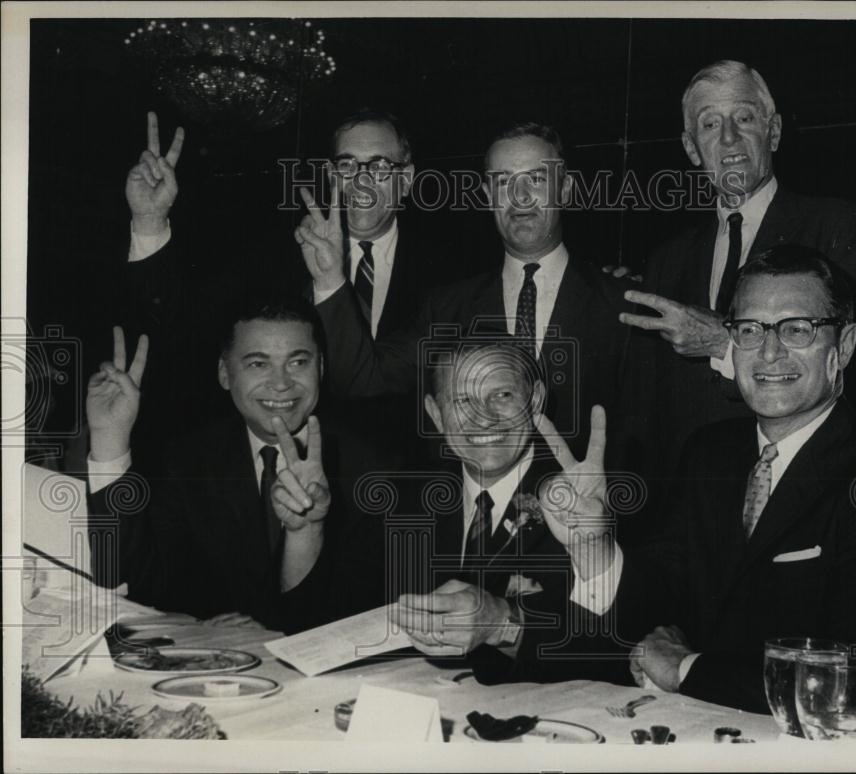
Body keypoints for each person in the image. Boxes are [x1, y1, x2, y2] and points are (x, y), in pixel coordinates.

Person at [500, 246, 856, 714]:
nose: (768, 351)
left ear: (842, 346)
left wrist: (687, 668)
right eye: (748, 329)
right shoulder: (710, 452)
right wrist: (593, 548)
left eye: (797, 329)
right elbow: (660, 595)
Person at [615, 60, 856, 505]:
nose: (728, 138)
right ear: (690, 147)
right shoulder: (668, 259)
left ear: (774, 132)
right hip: (689, 516)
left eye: (743, 118)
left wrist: (724, 343)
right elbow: (641, 419)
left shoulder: (835, 225)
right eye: (709, 124)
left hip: (802, 501)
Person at [299, 122, 633, 461]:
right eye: (503, 181)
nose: (519, 196)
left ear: (565, 189)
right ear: (488, 195)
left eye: (536, 178)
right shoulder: (447, 306)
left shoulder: (622, 304)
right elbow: (363, 382)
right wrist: (329, 278)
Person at [119, 110, 432, 469]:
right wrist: (149, 220)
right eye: (347, 166)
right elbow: (181, 319)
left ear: (406, 179)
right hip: (279, 470)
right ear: (332, 175)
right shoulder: (275, 256)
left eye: (377, 167)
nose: (360, 182)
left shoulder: (447, 275)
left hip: (400, 479)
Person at [85, 298, 380, 633]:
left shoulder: (371, 467)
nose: (281, 383)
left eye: (298, 362)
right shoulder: (187, 461)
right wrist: (110, 439)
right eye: (258, 364)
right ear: (225, 373)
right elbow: (128, 588)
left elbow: (364, 615)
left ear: (321, 369)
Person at [385, 334, 572, 671]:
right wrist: (306, 529)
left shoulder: (581, 498)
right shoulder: (407, 497)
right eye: (461, 401)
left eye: (501, 395)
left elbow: (607, 648)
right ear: (436, 415)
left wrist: (502, 626)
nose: (484, 417)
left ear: (535, 400)